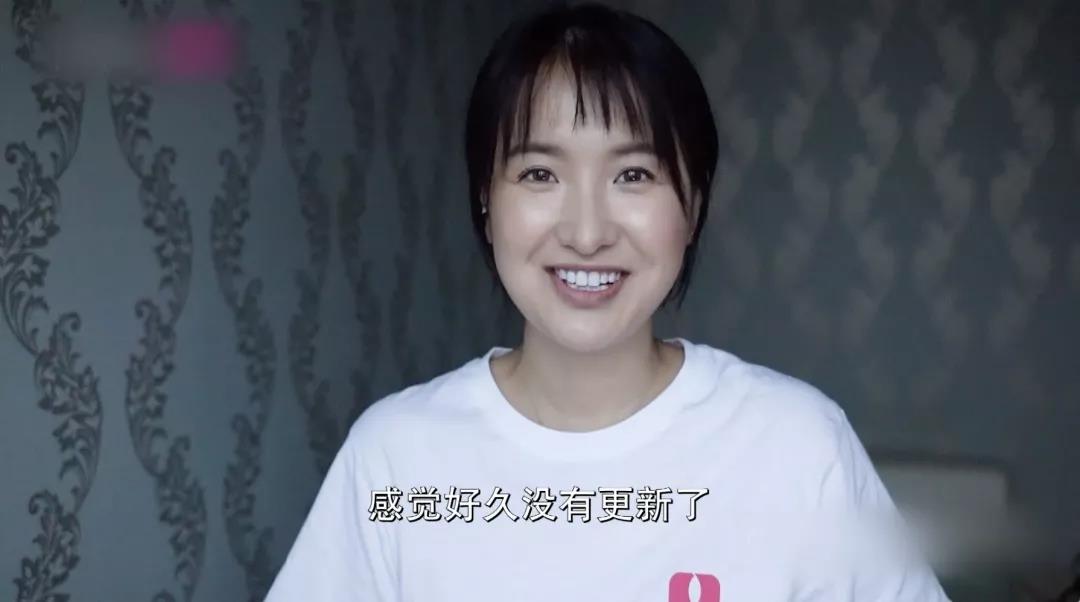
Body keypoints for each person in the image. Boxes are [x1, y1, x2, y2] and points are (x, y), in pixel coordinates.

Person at [265, 3, 950, 600]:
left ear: (694, 203)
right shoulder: (396, 458)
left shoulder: (796, 445)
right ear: (485, 198)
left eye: (633, 175)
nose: (587, 233)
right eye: (540, 173)